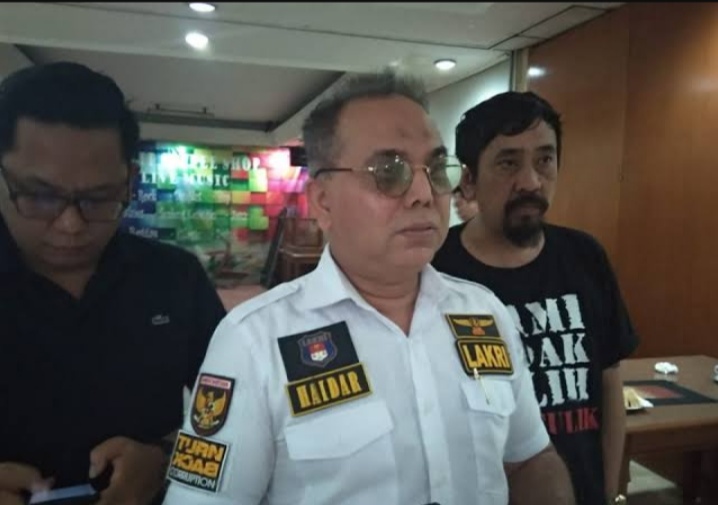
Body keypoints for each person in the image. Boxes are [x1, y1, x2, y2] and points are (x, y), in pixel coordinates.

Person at [163, 72, 575, 505]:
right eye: (389, 172)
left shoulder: (484, 313)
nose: (424, 193)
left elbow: (529, 458)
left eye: (436, 170)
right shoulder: (252, 342)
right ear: (323, 201)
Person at [0, 62, 226, 505]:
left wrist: (167, 460)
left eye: (99, 198)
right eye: (40, 196)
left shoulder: (175, 278)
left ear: (130, 182)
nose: (70, 224)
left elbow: (244, 420)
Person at [432, 91, 639, 505]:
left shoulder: (585, 257)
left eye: (545, 159)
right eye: (508, 163)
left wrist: (609, 493)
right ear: (468, 181)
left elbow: (609, 383)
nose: (530, 181)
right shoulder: (436, 269)